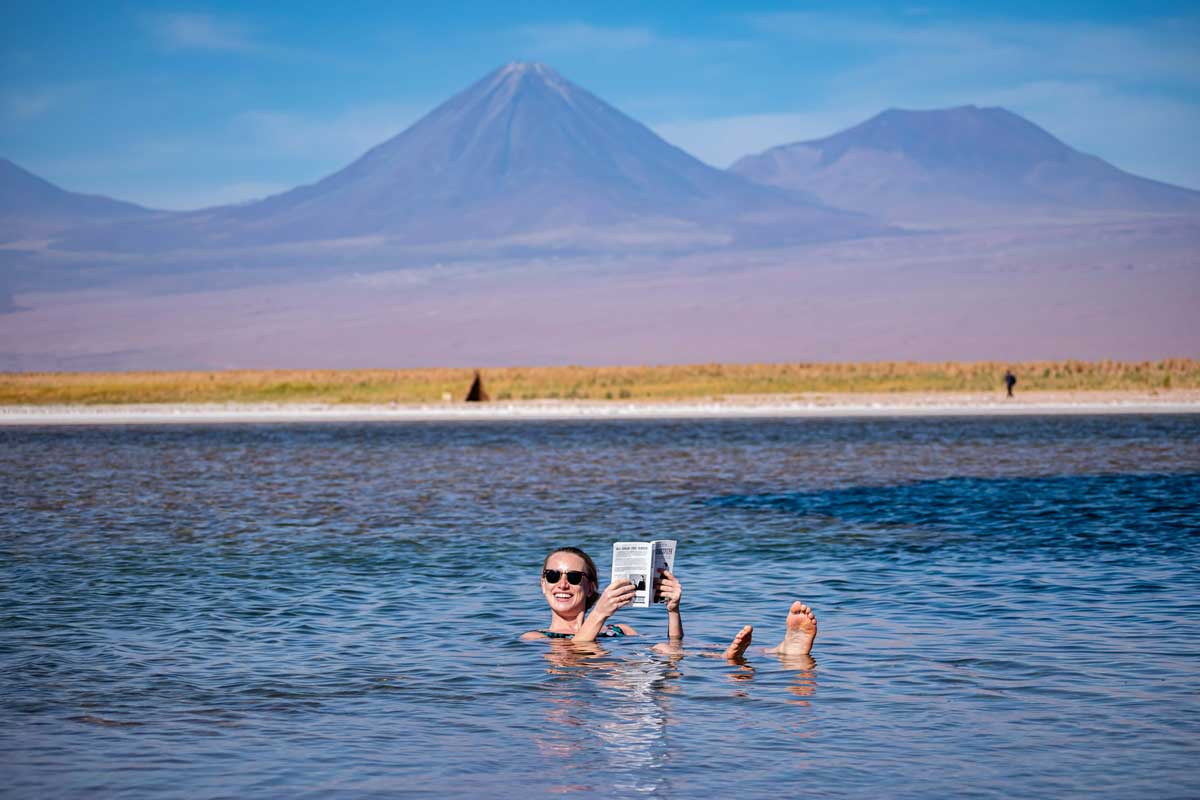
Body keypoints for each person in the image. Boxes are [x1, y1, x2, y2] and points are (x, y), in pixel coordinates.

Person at [522, 546, 818, 659]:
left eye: (573, 577)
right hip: (611, 683)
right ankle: (733, 659)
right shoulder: (536, 638)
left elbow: (677, 644)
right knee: (661, 651)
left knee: (667, 647)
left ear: (591, 586)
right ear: (542, 582)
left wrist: (674, 610)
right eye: (552, 575)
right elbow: (576, 656)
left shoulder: (621, 630)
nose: (562, 584)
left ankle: (778, 650)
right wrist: (598, 614)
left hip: (644, 667)